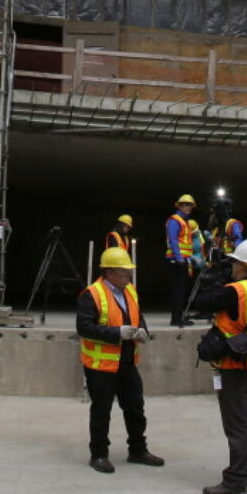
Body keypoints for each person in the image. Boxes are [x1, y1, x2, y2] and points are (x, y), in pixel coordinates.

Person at [76, 246, 164, 474]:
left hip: (126, 362)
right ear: (109, 273)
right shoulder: (92, 294)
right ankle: (98, 455)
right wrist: (117, 333)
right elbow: (84, 327)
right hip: (101, 366)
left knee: (135, 407)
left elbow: (139, 316)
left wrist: (142, 330)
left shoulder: (130, 291)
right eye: (124, 272)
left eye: (129, 272)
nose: (129, 276)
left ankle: (138, 450)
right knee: (101, 411)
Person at [194, 237, 247, 494]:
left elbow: (201, 301)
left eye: (235, 262)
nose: (232, 265)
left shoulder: (236, 291)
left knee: (236, 423)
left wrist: (214, 276)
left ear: (246, 265)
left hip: (235, 362)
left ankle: (236, 481)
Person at [165, 194, 199, 327]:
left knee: (183, 290)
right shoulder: (175, 220)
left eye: (190, 205)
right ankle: (176, 319)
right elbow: (173, 240)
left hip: (183, 260)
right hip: (176, 260)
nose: (188, 207)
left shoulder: (185, 222)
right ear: (179, 206)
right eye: (185, 205)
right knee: (178, 290)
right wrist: (179, 258)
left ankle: (180, 317)